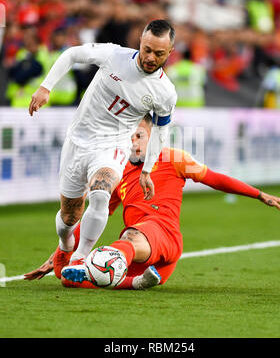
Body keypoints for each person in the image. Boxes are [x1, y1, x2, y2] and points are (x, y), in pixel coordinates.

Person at [24, 115, 280, 290]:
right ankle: (135, 282)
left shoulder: (172, 158)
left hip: (162, 236)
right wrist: (59, 254)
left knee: (130, 234)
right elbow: (97, 214)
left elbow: (214, 178)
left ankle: (114, 268)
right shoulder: (116, 173)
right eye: (128, 137)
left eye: (139, 136)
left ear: (152, 136)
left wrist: (259, 194)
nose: (134, 142)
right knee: (64, 276)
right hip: (148, 264)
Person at [28, 19, 177, 277]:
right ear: (140, 42)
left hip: (113, 145)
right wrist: (45, 86)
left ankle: (80, 259)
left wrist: (147, 170)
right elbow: (73, 54)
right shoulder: (113, 55)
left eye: (159, 53)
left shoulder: (165, 93)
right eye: (147, 50)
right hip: (78, 140)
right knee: (68, 216)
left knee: (100, 193)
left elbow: (161, 131)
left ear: (170, 52)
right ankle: (66, 245)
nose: (151, 57)